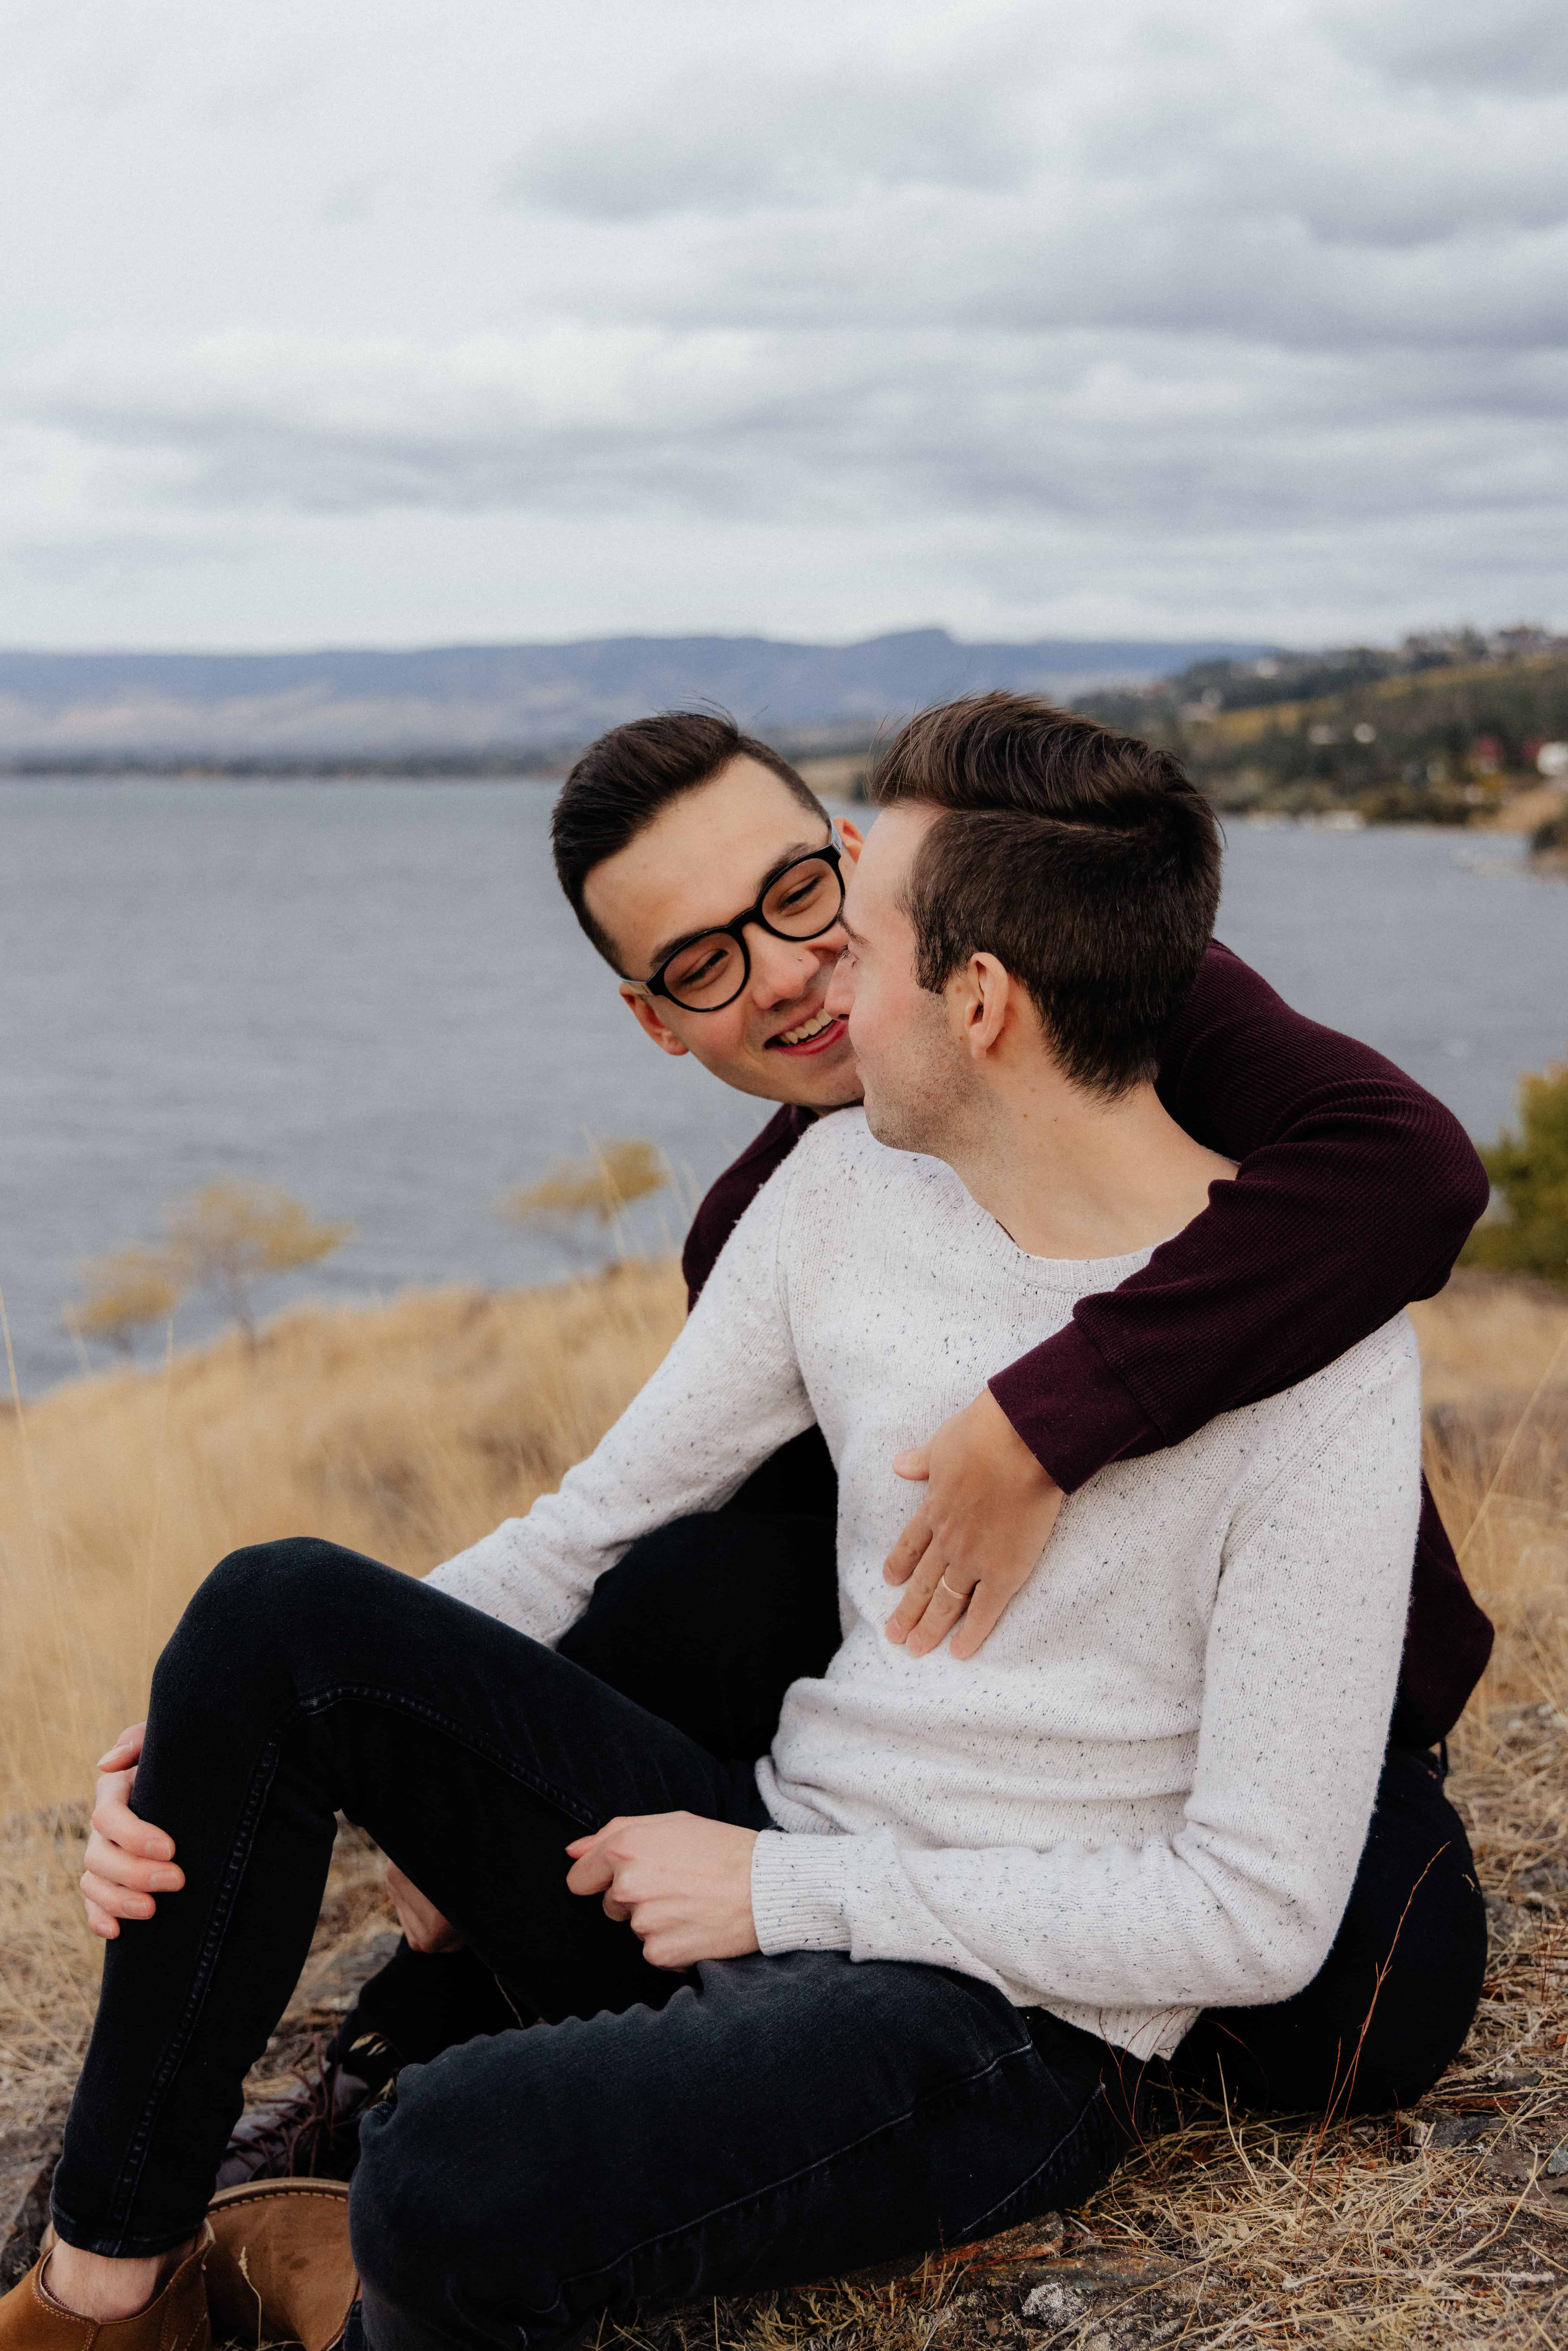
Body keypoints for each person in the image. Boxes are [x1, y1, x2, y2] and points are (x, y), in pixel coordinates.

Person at [13, 696, 1462, 2351]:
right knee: (271, 1607)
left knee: (446, 2173)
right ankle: (96, 2298)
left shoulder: (1314, 1334)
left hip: (995, 2013)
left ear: (978, 994)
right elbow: (590, 1527)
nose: (813, 975)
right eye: (723, 954)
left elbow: (1255, 1913)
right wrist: (205, 1729)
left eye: (849, 912)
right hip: (753, 1854)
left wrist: (789, 1891)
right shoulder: (833, 1193)